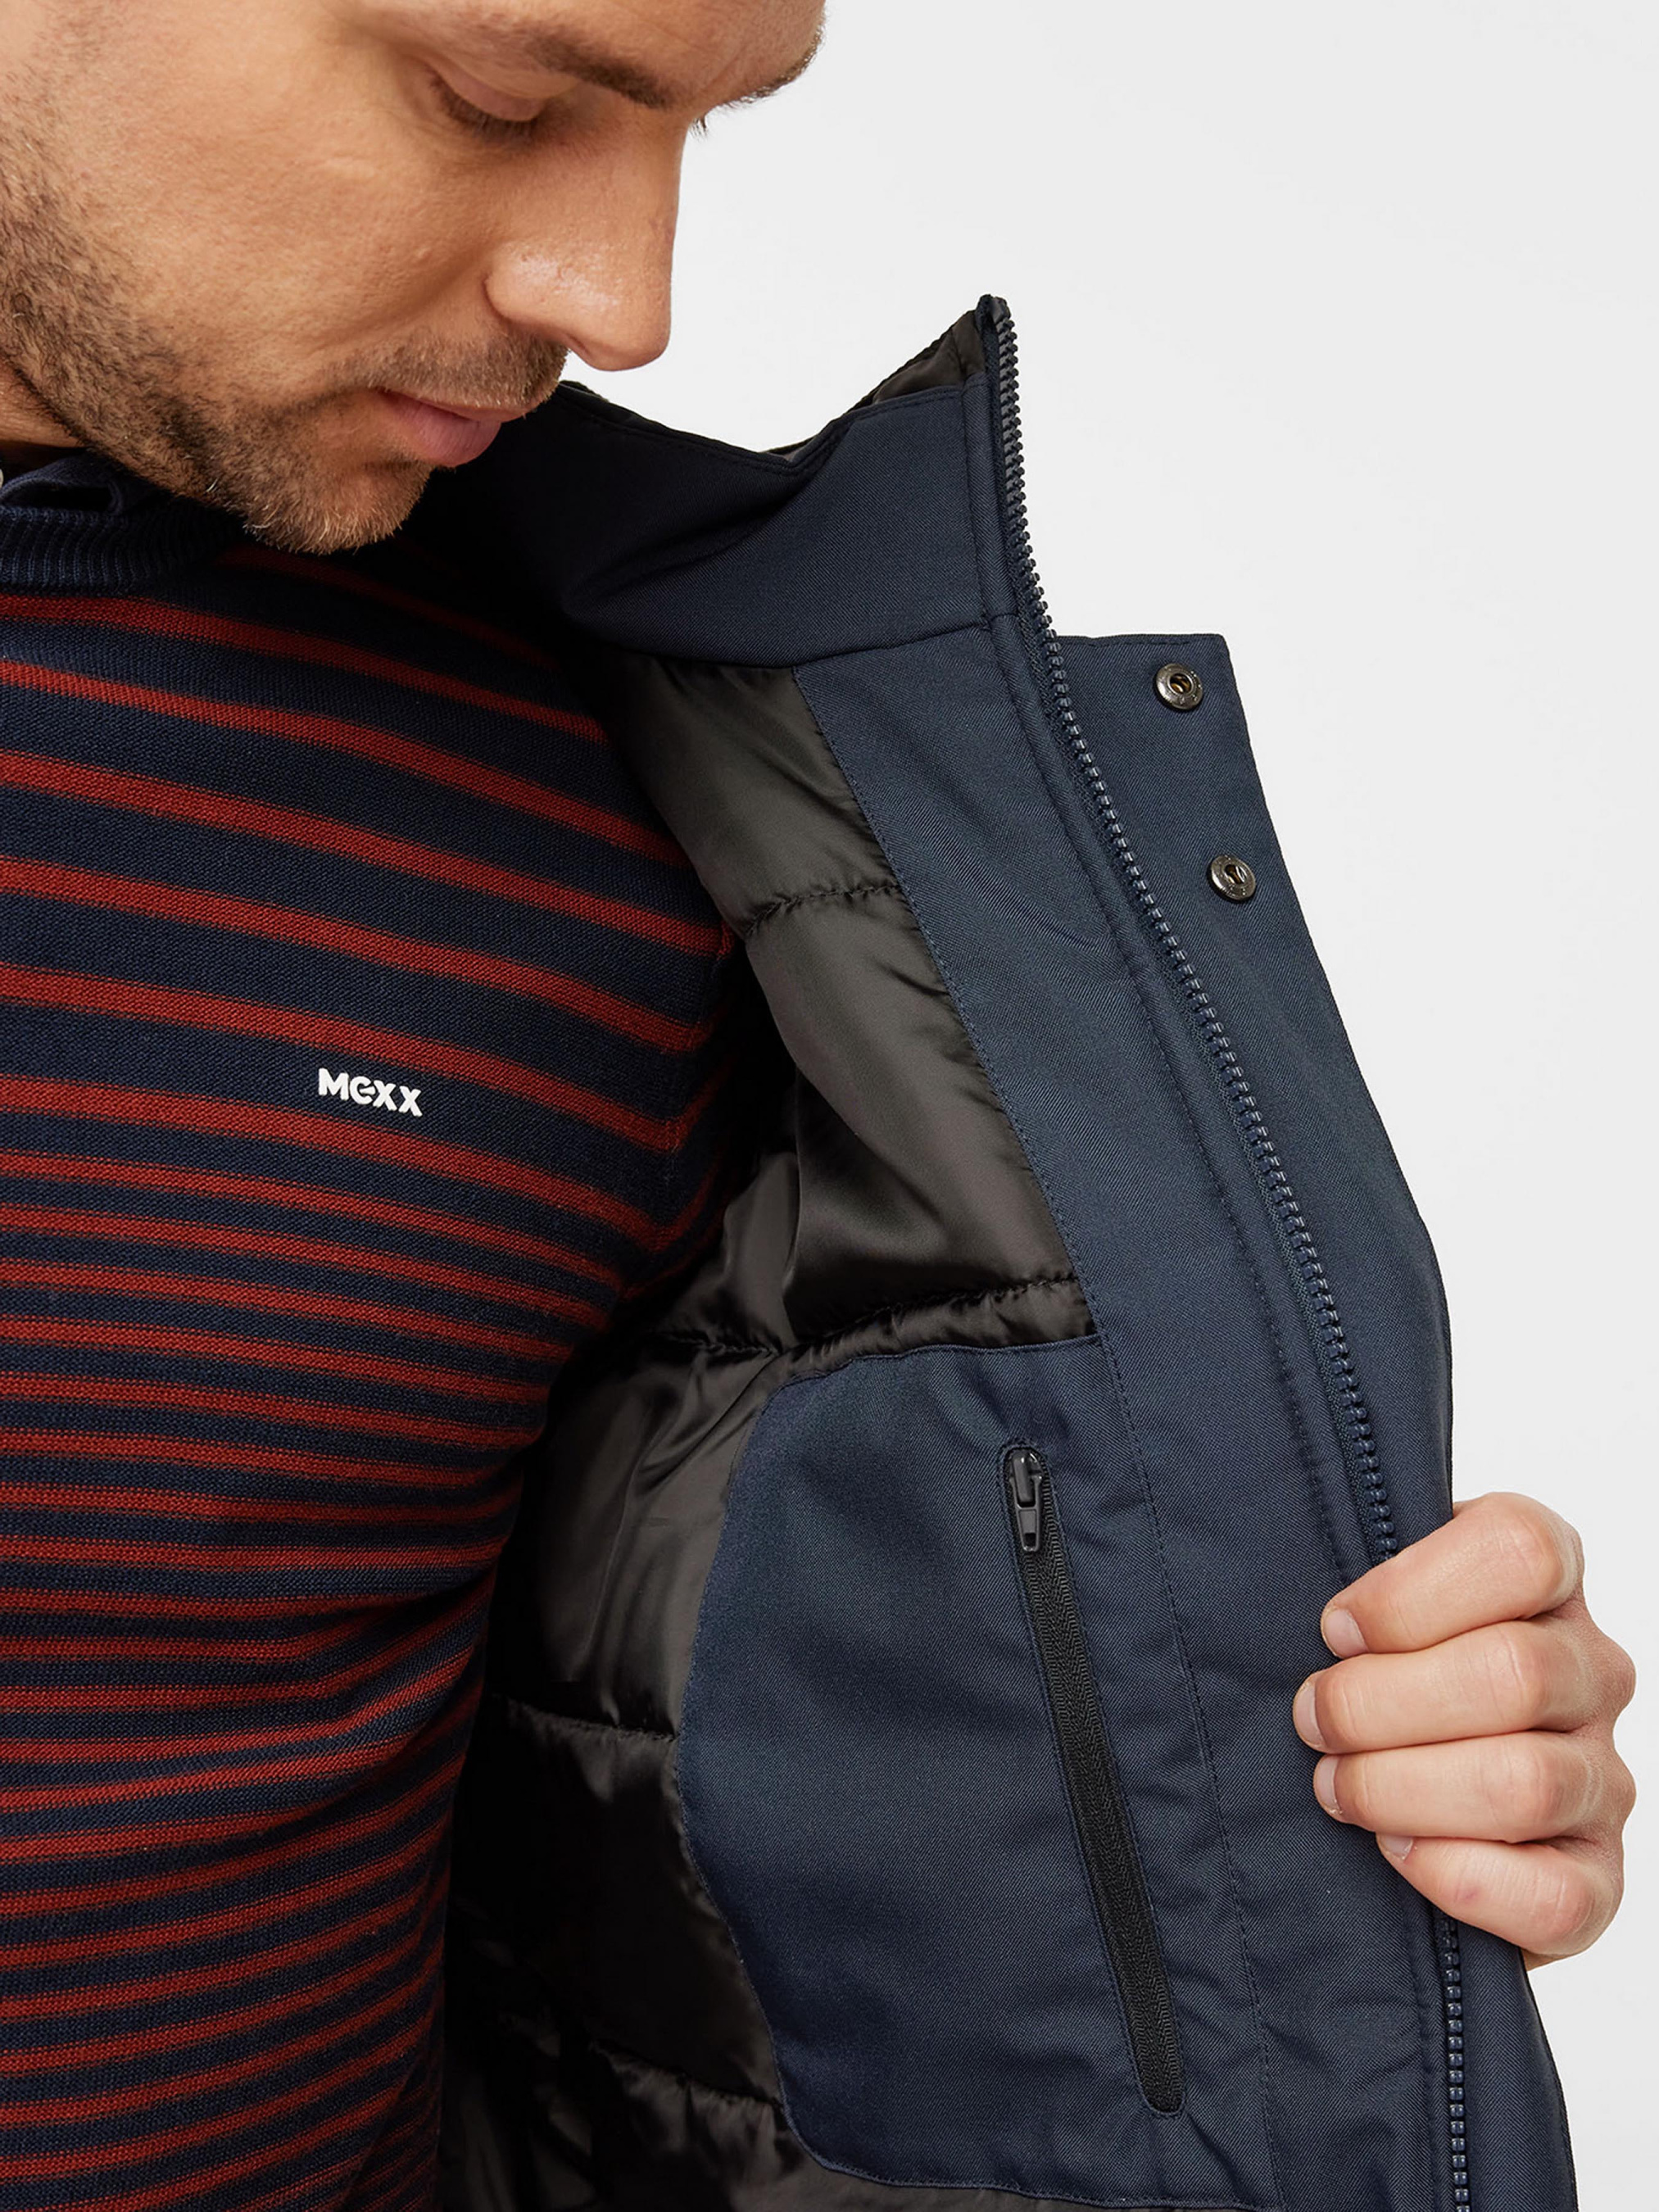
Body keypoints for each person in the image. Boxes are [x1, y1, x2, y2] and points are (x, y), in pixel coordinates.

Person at [0, 5, 1634, 2210]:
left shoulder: (639, 810)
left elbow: (730, 1772)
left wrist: (1308, 1774)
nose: (623, 300)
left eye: (702, 128)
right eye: (500, 94)